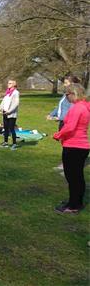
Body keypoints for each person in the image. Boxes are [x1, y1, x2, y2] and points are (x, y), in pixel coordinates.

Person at [53, 84, 89, 214]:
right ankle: (75, 202)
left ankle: (73, 205)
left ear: (72, 94)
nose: (66, 98)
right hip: (81, 146)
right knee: (77, 177)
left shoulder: (77, 108)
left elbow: (70, 127)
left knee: (73, 177)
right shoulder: (84, 107)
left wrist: (58, 135)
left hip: (74, 147)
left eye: (67, 95)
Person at [47, 76, 80, 170]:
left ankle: (69, 164)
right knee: (64, 143)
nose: (64, 85)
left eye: (66, 83)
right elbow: (59, 107)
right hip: (62, 122)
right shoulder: (66, 94)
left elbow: (72, 111)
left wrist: (59, 117)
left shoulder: (74, 96)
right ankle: (67, 163)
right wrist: (51, 114)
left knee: (68, 144)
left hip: (68, 122)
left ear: (72, 84)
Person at [0, 79, 20, 150]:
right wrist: (0, 108)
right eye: (8, 83)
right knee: (5, 128)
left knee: (11, 129)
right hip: (5, 113)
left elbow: (16, 104)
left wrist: (9, 111)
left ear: (14, 84)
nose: (8, 84)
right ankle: (5, 142)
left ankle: (14, 144)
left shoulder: (16, 92)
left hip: (11, 114)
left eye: (10, 83)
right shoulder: (7, 92)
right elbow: (4, 101)